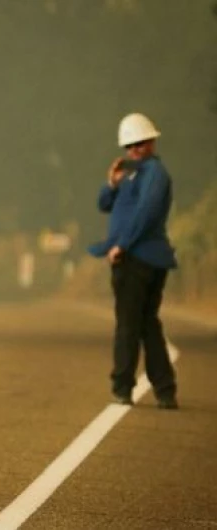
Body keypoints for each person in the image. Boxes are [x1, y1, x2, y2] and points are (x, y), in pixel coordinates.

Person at [87, 112, 179, 409]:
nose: (135, 150)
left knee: (128, 325)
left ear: (151, 142)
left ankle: (123, 387)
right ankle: (165, 389)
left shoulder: (155, 173)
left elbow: (147, 213)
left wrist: (121, 246)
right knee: (147, 324)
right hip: (136, 258)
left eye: (140, 144)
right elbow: (104, 204)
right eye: (130, 146)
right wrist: (112, 183)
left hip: (139, 259)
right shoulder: (132, 175)